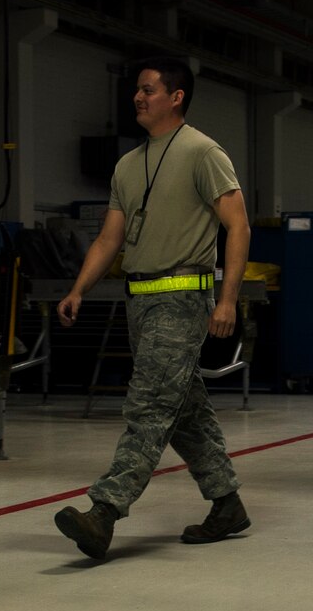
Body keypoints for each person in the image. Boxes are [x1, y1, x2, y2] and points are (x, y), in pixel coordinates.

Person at [53, 58, 252, 561]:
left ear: (176, 96)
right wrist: (78, 288)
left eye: (148, 90)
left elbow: (239, 224)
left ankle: (104, 511)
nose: (138, 98)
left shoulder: (203, 152)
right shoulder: (126, 164)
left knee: (148, 408)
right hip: (139, 301)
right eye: (136, 91)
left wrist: (227, 298)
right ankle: (227, 504)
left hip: (182, 297)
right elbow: (109, 238)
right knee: (185, 413)